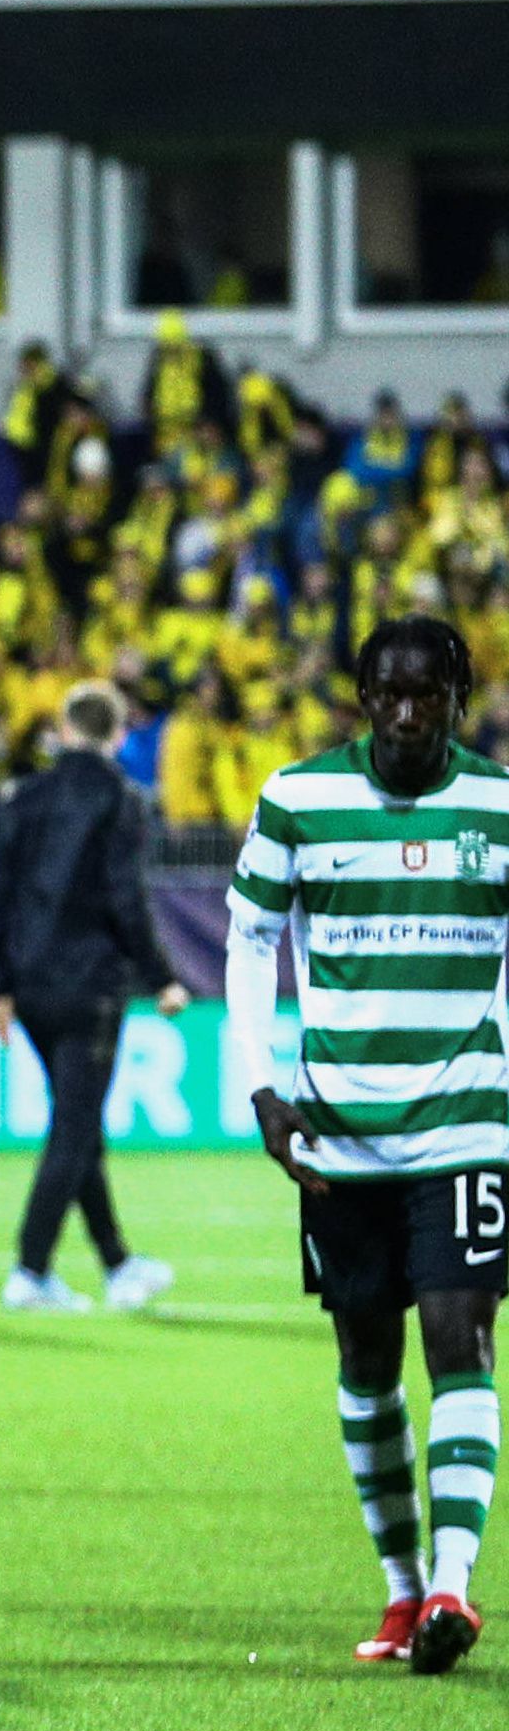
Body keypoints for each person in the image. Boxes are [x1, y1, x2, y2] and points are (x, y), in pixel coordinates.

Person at [228, 615, 506, 1677]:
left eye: (426, 695)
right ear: (360, 698)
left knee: (457, 1336)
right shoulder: (298, 797)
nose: (405, 714)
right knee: (364, 1362)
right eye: (386, 694)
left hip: (464, 1120)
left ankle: (451, 1584)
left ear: (458, 701)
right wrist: (260, 1085)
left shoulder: (498, 805)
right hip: (337, 1132)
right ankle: (400, 1585)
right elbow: (248, 940)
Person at [0, 680, 190, 1315]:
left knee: (80, 1122)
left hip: (30, 986)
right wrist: (161, 976)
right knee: (75, 1128)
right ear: (119, 737)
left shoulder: (22, 796)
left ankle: (118, 1264)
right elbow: (126, 897)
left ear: (65, 730)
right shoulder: (120, 800)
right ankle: (31, 1268)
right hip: (90, 985)